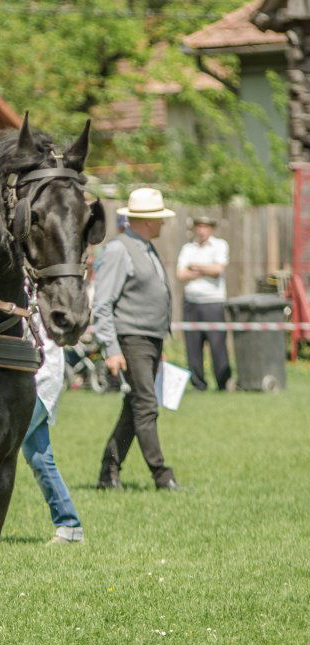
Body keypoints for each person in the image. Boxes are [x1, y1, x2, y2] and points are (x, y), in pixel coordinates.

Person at [92, 186, 179, 491]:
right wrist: (111, 349)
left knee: (134, 407)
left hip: (149, 340)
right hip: (132, 340)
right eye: (160, 218)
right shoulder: (119, 250)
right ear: (147, 220)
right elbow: (102, 303)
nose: (164, 223)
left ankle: (108, 473)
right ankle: (162, 476)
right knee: (146, 406)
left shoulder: (146, 247)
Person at [23, 315, 84, 544]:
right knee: (39, 457)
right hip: (32, 376)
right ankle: (70, 526)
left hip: (39, 377)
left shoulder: (40, 296)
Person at [176, 216, 231, 391]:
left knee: (217, 345)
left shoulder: (220, 245)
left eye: (205, 227)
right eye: (198, 226)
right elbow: (181, 275)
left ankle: (223, 383)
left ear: (211, 229)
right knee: (193, 346)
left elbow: (218, 269)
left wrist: (195, 267)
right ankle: (198, 384)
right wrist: (206, 269)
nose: (201, 230)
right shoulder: (188, 248)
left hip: (213, 302)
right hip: (191, 303)